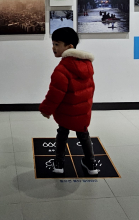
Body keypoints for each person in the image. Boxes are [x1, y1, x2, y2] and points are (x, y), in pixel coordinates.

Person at [39, 27, 99, 175]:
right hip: (82, 112)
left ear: (69, 47)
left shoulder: (62, 69)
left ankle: (59, 163)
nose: (53, 48)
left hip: (66, 112)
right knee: (83, 135)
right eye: (53, 44)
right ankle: (91, 164)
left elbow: (55, 94)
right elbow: (90, 89)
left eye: (57, 44)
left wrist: (46, 110)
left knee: (62, 134)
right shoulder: (87, 66)